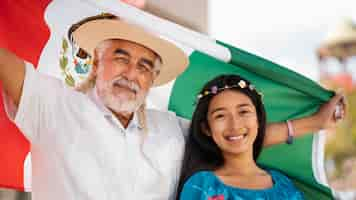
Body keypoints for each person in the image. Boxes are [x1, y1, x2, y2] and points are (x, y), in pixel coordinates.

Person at [0, 14, 345, 200]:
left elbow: (234, 136)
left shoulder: (170, 130)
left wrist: (313, 123)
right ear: (95, 63)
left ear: (152, 81)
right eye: (121, 57)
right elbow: (9, 67)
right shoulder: (54, 105)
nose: (132, 73)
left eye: (145, 66)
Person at [177, 75, 308, 200]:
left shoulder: (284, 185)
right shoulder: (202, 185)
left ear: (258, 120)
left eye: (243, 112)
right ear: (206, 128)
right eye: (220, 116)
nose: (235, 125)